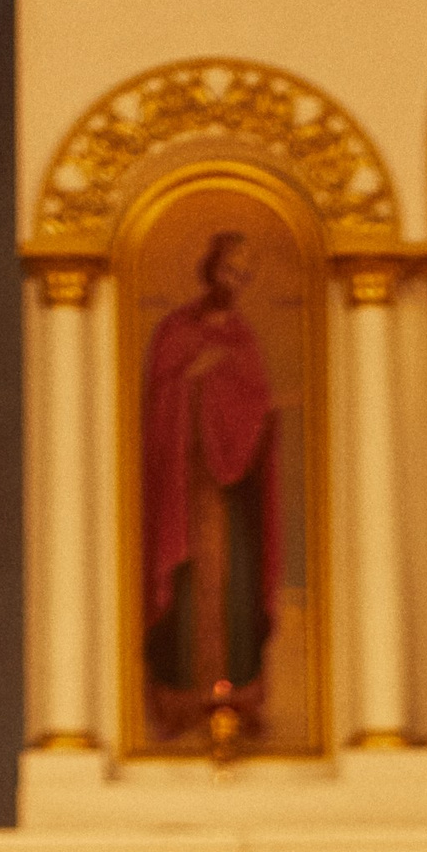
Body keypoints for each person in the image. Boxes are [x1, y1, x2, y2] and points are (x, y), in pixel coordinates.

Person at [142, 225, 278, 741]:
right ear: (209, 267)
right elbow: (159, 401)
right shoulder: (175, 330)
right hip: (185, 483)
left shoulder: (243, 337)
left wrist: (260, 418)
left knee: (236, 586)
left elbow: (257, 400)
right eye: (228, 269)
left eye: (244, 275)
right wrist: (191, 377)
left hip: (232, 490)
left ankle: (236, 694)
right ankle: (180, 697)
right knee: (187, 587)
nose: (235, 281)